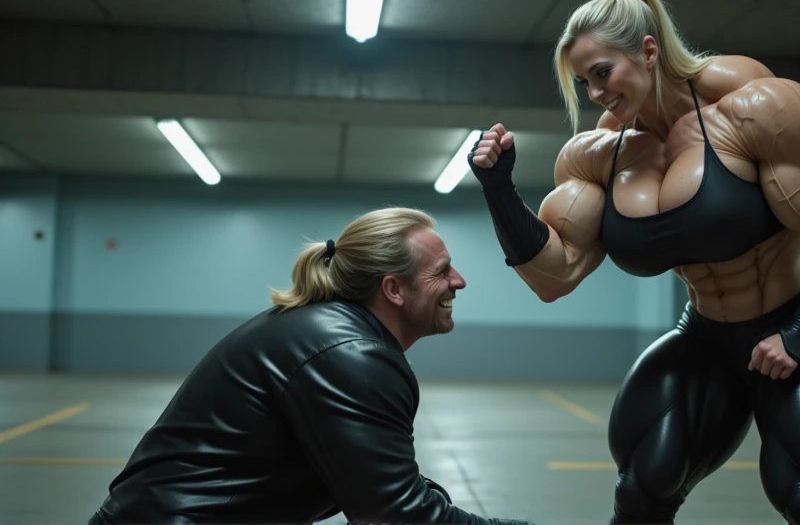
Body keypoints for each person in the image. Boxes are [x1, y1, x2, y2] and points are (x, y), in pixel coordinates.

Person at [468, 0, 800, 525]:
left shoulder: (747, 104)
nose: (595, 95)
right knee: (643, 488)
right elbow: (555, 274)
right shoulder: (602, 156)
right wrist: (499, 189)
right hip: (708, 337)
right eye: (583, 83)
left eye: (601, 73)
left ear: (647, 51)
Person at [88, 207, 533, 525]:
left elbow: (381, 480)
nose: (460, 281)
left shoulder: (330, 335)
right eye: (442, 271)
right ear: (394, 289)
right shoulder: (350, 355)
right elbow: (393, 515)